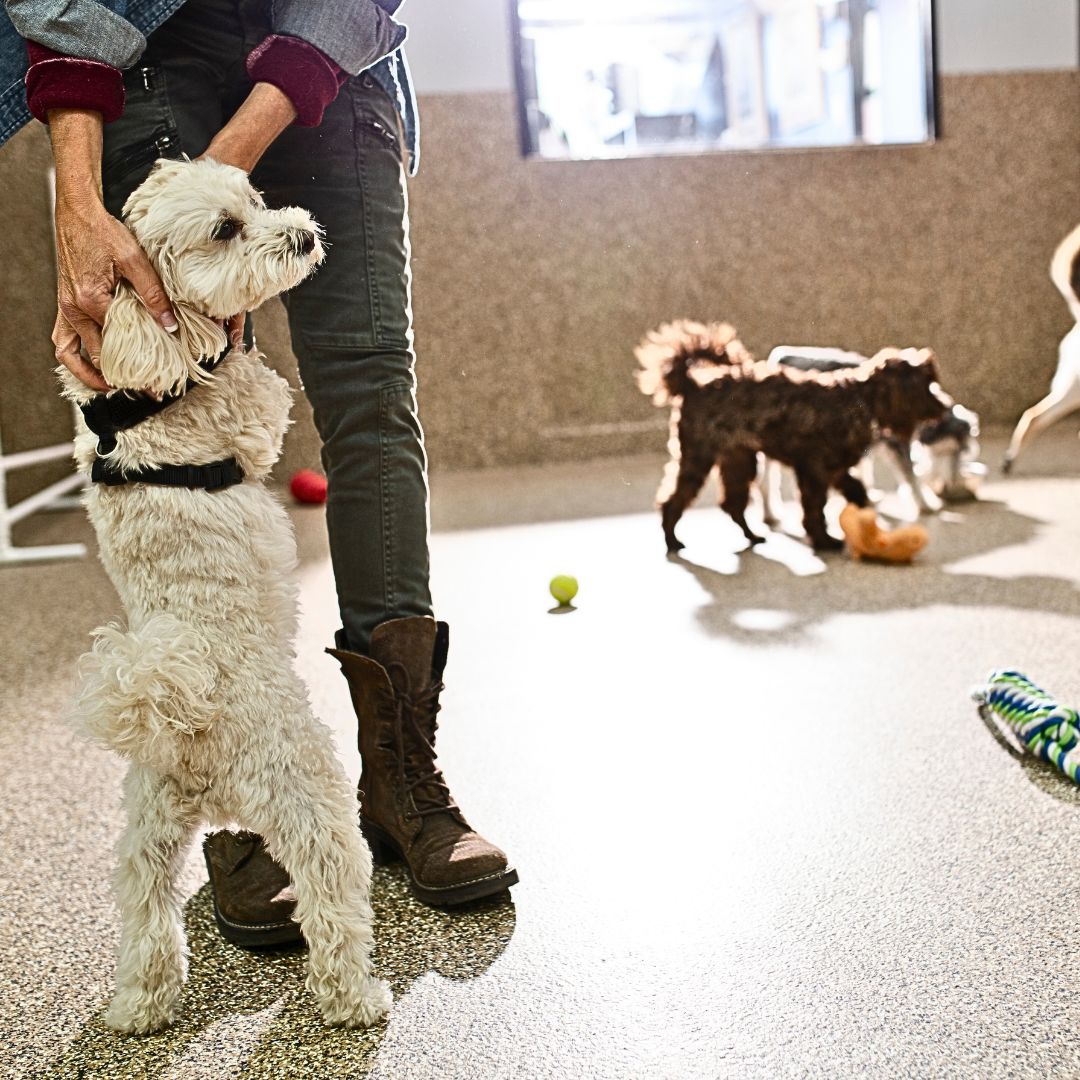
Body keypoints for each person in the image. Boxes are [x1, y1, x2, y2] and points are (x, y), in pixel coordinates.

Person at [0, 0, 517, 945]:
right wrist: (77, 206)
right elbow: (63, 8)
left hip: (333, 53)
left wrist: (227, 164)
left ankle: (402, 775)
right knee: (163, 398)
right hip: (151, 60)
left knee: (371, 396)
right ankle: (232, 800)